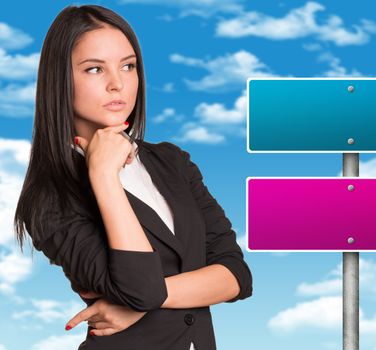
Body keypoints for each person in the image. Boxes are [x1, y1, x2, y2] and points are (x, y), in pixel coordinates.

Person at [13, 4, 253, 350]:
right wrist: (103, 176)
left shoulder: (172, 161)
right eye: (95, 69)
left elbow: (236, 275)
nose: (117, 84)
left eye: (128, 66)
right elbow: (141, 287)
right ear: (60, 80)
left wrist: (145, 302)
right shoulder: (49, 198)